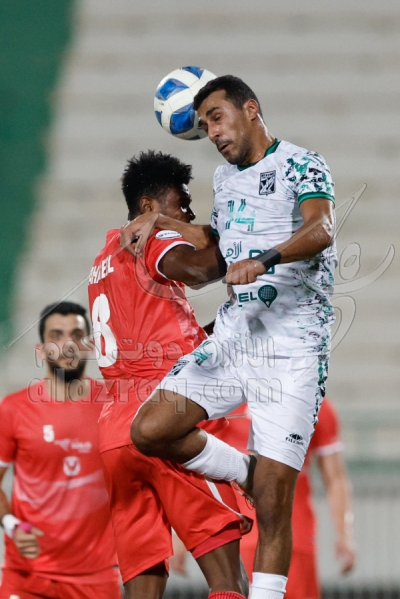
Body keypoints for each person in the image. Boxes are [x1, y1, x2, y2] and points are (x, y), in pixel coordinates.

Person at [123, 75, 338, 599]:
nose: (212, 132)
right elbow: (220, 243)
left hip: (292, 347)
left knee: (274, 506)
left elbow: (323, 228)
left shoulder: (302, 163)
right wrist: (160, 220)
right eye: (204, 125)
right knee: (150, 429)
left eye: (217, 118)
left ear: (251, 109)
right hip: (236, 335)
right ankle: (244, 471)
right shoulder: (224, 180)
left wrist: (264, 260)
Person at [87, 150, 249, 599]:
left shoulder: (103, 259)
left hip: (115, 431)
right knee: (230, 581)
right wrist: (248, 239)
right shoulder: (151, 236)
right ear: (148, 207)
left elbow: (164, 337)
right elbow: (199, 270)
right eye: (182, 203)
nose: (189, 214)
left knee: (143, 589)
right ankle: (247, 473)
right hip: (163, 419)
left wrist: (232, 322)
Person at [170, 399, 355, 599]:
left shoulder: (314, 403)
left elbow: (335, 478)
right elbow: (199, 471)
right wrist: (181, 535)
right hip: (241, 536)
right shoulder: (225, 401)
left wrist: (345, 534)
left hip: (293, 537)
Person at [0, 301, 121, 599]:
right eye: (56, 335)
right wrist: (11, 525)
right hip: (27, 578)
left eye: (77, 335)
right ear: (41, 350)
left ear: (90, 346)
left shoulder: (115, 406)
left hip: (97, 579)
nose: (68, 345)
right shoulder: (13, 409)